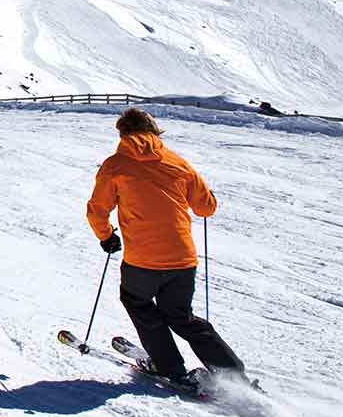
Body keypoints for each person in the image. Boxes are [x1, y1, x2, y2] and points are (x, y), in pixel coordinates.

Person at [85, 108, 246, 389]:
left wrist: (106, 236)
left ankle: (168, 365)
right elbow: (205, 207)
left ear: (123, 134)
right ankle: (232, 373)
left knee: (138, 302)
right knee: (181, 316)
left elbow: (97, 210)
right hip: (183, 259)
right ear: (155, 131)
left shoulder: (115, 165)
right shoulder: (177, 162)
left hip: (142, 260)